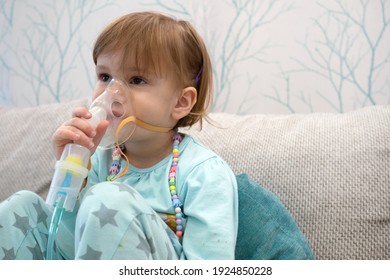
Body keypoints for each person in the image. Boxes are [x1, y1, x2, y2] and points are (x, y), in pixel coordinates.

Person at [0, 11, 238, 260]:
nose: (112, 91)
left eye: (137, 79)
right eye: (105, 77)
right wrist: (73, 170)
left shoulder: (204, 175)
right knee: (21, 206)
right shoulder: (100, 162)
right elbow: (65, 246)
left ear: (181, 102)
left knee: (107, 199)